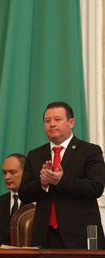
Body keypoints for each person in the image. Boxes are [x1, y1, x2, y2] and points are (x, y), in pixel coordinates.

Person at [19, 101, 105, 249]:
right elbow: (24, 194)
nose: (52, 124)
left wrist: (62, 180)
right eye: (47, 121)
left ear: (71, 122)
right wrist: (42, 183)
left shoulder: (90, 151)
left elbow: (95, 187)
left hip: (79, 235)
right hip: (44, 236)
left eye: (57, 119)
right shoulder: (35, 155)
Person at [0, 153, 26, 248]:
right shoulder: (0, 202)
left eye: (12, 172)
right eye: (4, 172)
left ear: (26, 172)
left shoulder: (36, 200)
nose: (7, 177)